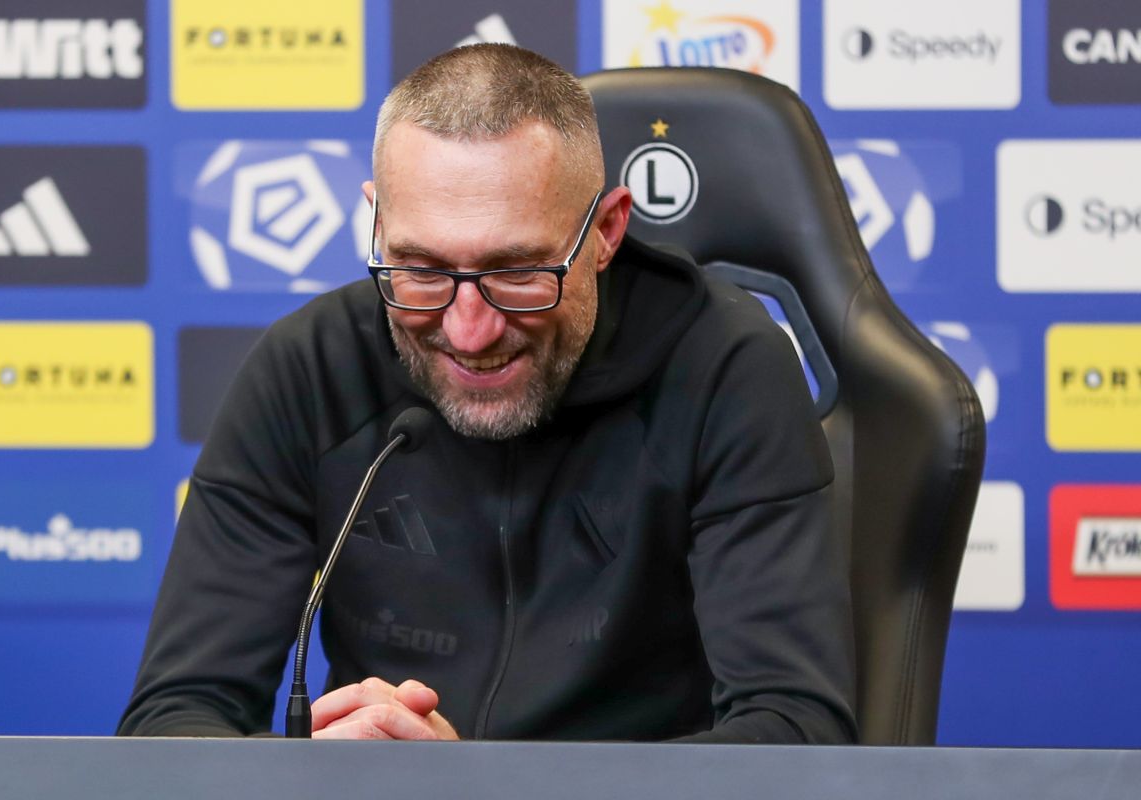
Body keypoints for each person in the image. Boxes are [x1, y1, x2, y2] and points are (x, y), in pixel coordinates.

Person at [118, 44, 857, 744]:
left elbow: (796, 732)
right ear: (377, 223)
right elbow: (172, 718)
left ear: (606, 231)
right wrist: (306, 770)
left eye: (518, 272)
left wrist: (479, 784)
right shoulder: (308, 368)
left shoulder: (725, 367)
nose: (468, 331)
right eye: (421, 270)